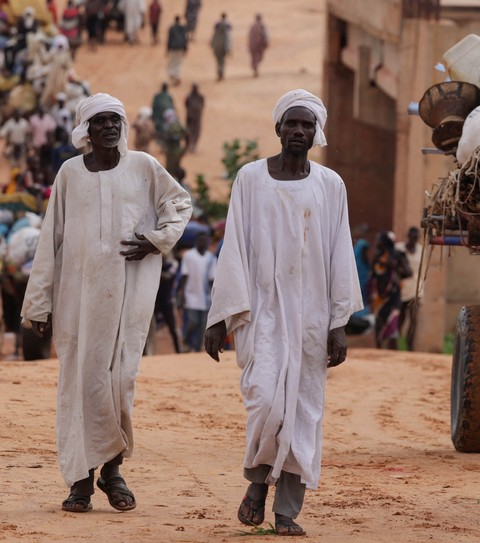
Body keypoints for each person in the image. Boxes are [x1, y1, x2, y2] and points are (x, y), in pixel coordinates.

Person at [20, 93, 192, 513]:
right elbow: (50, 240)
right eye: (101, 121)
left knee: (119, 384)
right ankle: (80, 480)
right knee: (79, 385)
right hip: (77, 302)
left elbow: (180, 203)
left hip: (128, 301)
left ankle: (113, 470)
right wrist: (38, 304)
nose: (111, 127)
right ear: (86, 131)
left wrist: (156, 240)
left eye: (116, 119)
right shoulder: (69, 174)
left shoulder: (144, 167)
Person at [204, 89, 362, 536]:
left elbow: (338, 254)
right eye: (291, 123)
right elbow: (233, 247)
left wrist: (338, 324)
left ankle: (286, 511)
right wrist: (220, 316)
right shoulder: (251, 178)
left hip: (312, 318)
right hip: (263, 313)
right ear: (277, 128)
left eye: (306, 125)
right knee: (266, 401)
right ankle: (257, 484)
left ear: (317, 133)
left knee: (305, 412)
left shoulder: (331, 185)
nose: (298, 131)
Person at [368, 231, 411, 350]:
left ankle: (392, 353)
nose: (377, 242)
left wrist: (394, 269)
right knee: (379, 321)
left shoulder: (398, 255)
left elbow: (408, 272)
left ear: (385, 242)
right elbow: (373, 276)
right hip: (379, 296)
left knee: (392, 321)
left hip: (393, 294)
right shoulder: (377, 257)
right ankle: (379, 350)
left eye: (379, 240)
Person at [177, 232, 216, 352]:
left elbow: (212, 279)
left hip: (205, 297)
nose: (203, 243)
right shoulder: (189, 256)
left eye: (205, 240)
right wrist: (181, 293)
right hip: (191, 295)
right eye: (200, 240)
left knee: (203, 325)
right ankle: (186, 340)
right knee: (193, 321)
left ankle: (197, 349)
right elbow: (184, 275)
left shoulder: (211, 258)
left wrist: (214, 297)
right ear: (196, 241)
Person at [396, 226, 423, 351]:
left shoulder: (421, 250)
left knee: (414, 319)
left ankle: (410, 346)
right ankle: (395, 343)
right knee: (400, 317)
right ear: (408, 236)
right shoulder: (399, 248)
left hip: (415, 290)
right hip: (401, 289)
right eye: (412, 237)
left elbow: (421, 272)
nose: (413, 240)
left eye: (415, 238)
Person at [166, 15, 188, 86]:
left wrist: (167, 49)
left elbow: (169, 39)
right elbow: (185, 39)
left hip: (173, 47)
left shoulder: (172, 28)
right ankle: (176, 76)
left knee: (172, 62)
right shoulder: (183, 28)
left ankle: (173, 76)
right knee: (178, 62)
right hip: (180, 47)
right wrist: (185, 48)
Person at [151, 82, 175, 146]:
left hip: (163, 118)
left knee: (163, 130)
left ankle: (162, 144)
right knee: (161, 130)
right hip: (160, 117)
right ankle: (161, 144)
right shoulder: (164, 97)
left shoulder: (160, 96)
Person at [210, 13, 232, 81]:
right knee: (222, 61)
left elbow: (213, 37)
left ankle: (219, 73)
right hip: (223, 47)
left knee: (218, 61)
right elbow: (228, 39)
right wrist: (229, 49)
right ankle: (221, 73)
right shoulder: (227, 27)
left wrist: (212, 45)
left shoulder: (217, 27)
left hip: (217, 47)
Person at [184, 83, 204, 152]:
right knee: (189, 131)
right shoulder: (189, 97)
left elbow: (202, 106)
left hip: (197, 118)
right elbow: (186, 105)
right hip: (190, 117)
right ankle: (189, 145)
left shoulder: (200, 97)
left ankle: (194, 145)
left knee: (196, 132)